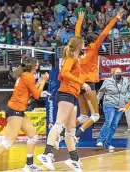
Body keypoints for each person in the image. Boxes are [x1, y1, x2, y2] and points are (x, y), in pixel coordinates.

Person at [57, 10, 124, 143]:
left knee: (83, 116)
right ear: (94, 41)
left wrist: (80, 20)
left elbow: (77, 34)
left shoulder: (78, 49)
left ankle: (63, 130)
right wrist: (115, 18)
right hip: (89, 84)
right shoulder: (94, 48)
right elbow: (104, 33)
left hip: (79, 84)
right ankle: (76, 134)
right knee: (95, 115)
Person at [37, 37, 91, 172]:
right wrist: (81, 83)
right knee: (59, 124)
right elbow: (64, 73)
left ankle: (74, 159)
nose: (85, 45)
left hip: (72, 95)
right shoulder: (70, 59)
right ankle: (46, 153)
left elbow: (62, 77)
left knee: (70, 131)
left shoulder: (75, 60)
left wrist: (77, 85)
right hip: (66, 94)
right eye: (83, 43)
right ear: (79, 45)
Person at [0, 57, 49, 172]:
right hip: (15, 110)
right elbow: (36, 96)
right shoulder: (28, 77)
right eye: (37, 64)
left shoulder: (24, 76)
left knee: (33, 136)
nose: (39, 65)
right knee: (8, 142)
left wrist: (38, 83)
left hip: (17, 110)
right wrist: (43, 80)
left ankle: (29, 165)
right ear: (33, 66)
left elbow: (28, 94)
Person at [96, 67, 130, 149]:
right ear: (112, 74)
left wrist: (127, 98)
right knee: (108, 121)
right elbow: (101, 92)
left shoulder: (126, 81)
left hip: (120, 105)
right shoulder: (107, 81)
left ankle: (107, 143)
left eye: (120, 72)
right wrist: (97, 101)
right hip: (109, 103)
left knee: (114, 125)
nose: (118, 74)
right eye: (116, 72)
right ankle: (100, 140)